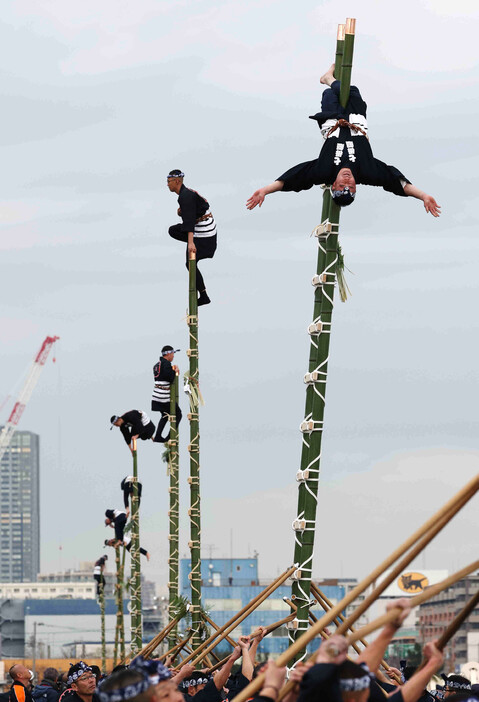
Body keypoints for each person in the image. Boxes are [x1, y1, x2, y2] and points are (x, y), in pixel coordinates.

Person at [246, 64, 440, 217]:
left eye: (341, 186)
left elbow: (293, 179)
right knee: (352, 92)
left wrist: (265, 190)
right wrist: (423, 195)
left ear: (333, 185)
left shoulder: (323, 171)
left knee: (330, 94)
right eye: (352, 186)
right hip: (356, 121)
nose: (347, 181)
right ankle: (329, 78)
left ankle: (329, 80)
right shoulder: (369, 172)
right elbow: (399, 185)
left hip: (332, 120)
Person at [167, 170, 217, 306]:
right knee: (173, 230)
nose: (167, 185)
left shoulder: (186, 196)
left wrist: (191, 243)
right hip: (200, 225)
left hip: (205, 232)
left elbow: (189, 221)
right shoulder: (185, 194)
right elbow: (192, 211)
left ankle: (204, 295)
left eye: (169, 181)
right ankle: (192, 241)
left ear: (177, 181)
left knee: (190, 263)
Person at [151, 346, 182, 443]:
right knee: (178, 414)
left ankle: (158, 436)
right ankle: (170, 436)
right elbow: (170, 378)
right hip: (163, 397)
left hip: (156, 396)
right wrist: (175, 371)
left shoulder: (157, 365)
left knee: (164, 415)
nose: (173, 356)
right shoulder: (166, 364)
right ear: (168, 354)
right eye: (173, 354)